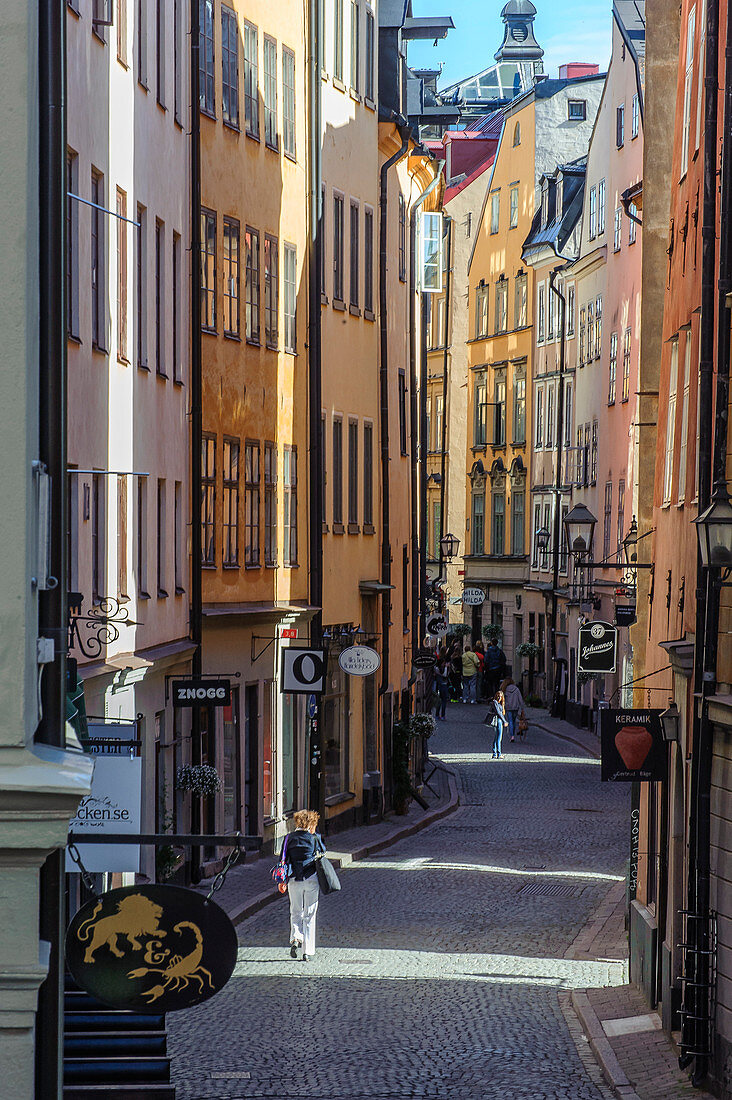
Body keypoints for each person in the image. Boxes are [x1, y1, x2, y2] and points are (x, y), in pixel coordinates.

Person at [284, 809, 326, 961]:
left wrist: (282, 881)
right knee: (309, 914)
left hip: (293, 879)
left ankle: (295, 938)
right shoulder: (314, 838)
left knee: (295, 911)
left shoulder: (289, 838)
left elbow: (284, 859)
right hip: (310, 878)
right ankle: (307, 951)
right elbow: (323, 852)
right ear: (311, 824)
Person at [502, 677, 526, 742]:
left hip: (508, 707)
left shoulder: (505, 689)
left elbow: (503, 700)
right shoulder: (516, 689)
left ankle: (512, 736)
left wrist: (502, 707)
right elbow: (520, 699)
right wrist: (522, 708)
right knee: (514, 721)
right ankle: (513, 733)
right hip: (515, 707)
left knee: (510, 721)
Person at [485, 689, 508, 758]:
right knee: (498, 738)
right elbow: (499, 713)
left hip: (499, 721)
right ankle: (499, 753)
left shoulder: (498, 703)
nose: (499, 698)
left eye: (500, 696)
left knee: (496, 737)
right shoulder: (495, 703)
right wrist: (505, 721)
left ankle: (495, 753)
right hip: (498, 721)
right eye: (498, 696)